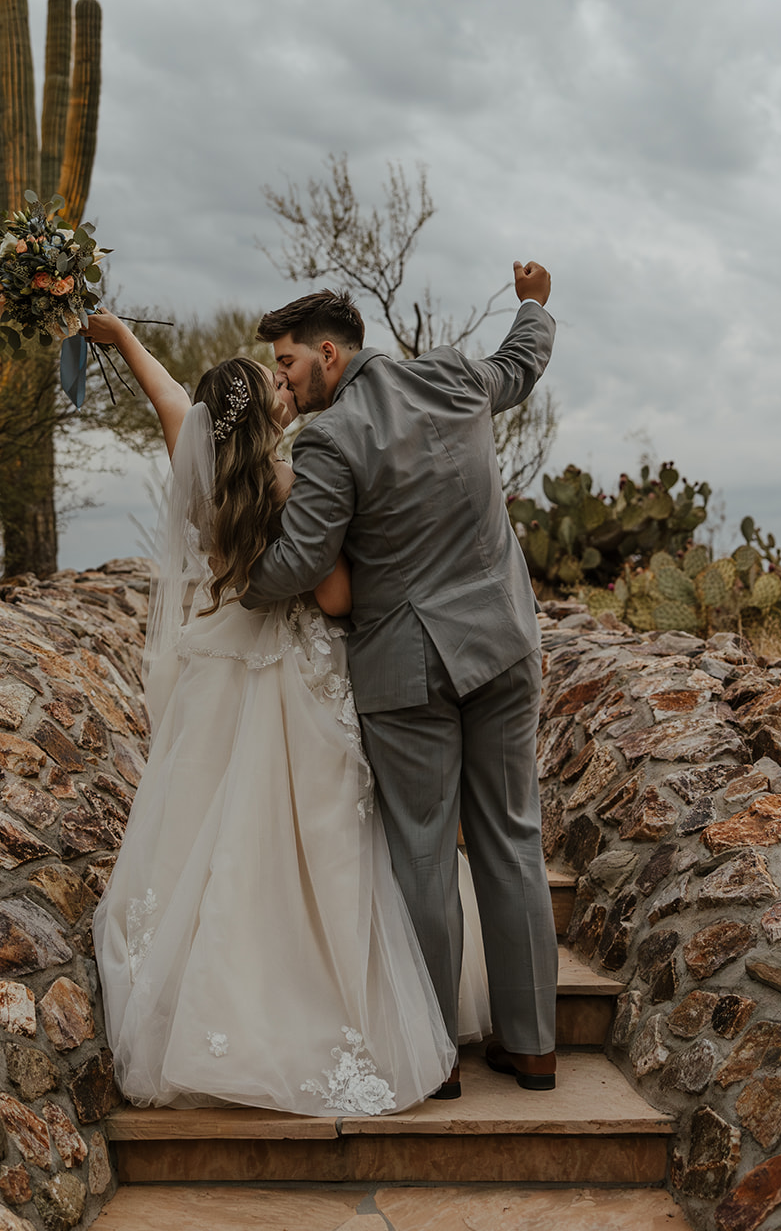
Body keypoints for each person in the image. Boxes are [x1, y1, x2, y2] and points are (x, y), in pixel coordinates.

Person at [86, 309, 491, 1115]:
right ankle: (322, 1001)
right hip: (293, 676)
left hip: (217, 677)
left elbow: (172, 397)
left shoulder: (195, 463)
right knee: (319, 842)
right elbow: (335, 593)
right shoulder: (288, 478)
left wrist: (123, 340)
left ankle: (212, 1009)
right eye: (273, 380)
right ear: (264, 412)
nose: (285, 382)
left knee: (213, 834)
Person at [242, 264, 559, 1094]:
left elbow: (305, 559)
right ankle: (531, 1047)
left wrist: (235, 580)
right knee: (512, 838)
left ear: (330, 353)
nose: (281, 377)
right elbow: (521, 364)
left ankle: (434, 1056)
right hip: (501, 643)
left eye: (287, 361)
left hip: (405, 666)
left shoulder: (327, 440)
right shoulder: (455, 376)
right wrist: (533, 301)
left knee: (420, 853)